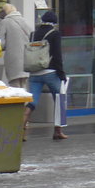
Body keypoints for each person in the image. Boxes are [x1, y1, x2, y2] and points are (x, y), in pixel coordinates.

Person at [23, 10, 67, 141]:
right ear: (54, 23)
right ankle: (58, 131)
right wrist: (61, 74)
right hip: (51, 72)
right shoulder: (54, 34)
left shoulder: (33, 34)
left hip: (34, 73)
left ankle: (20, 130)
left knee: (32, 102)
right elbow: (57, 56)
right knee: (60, 101)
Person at [0, 2, 32, 89]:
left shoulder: (5, 22)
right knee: (24, 87)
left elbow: (1, 43)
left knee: (15, 87)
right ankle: (25, 103)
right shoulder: (24, 21)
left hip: (13, 60)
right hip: (26, 60)